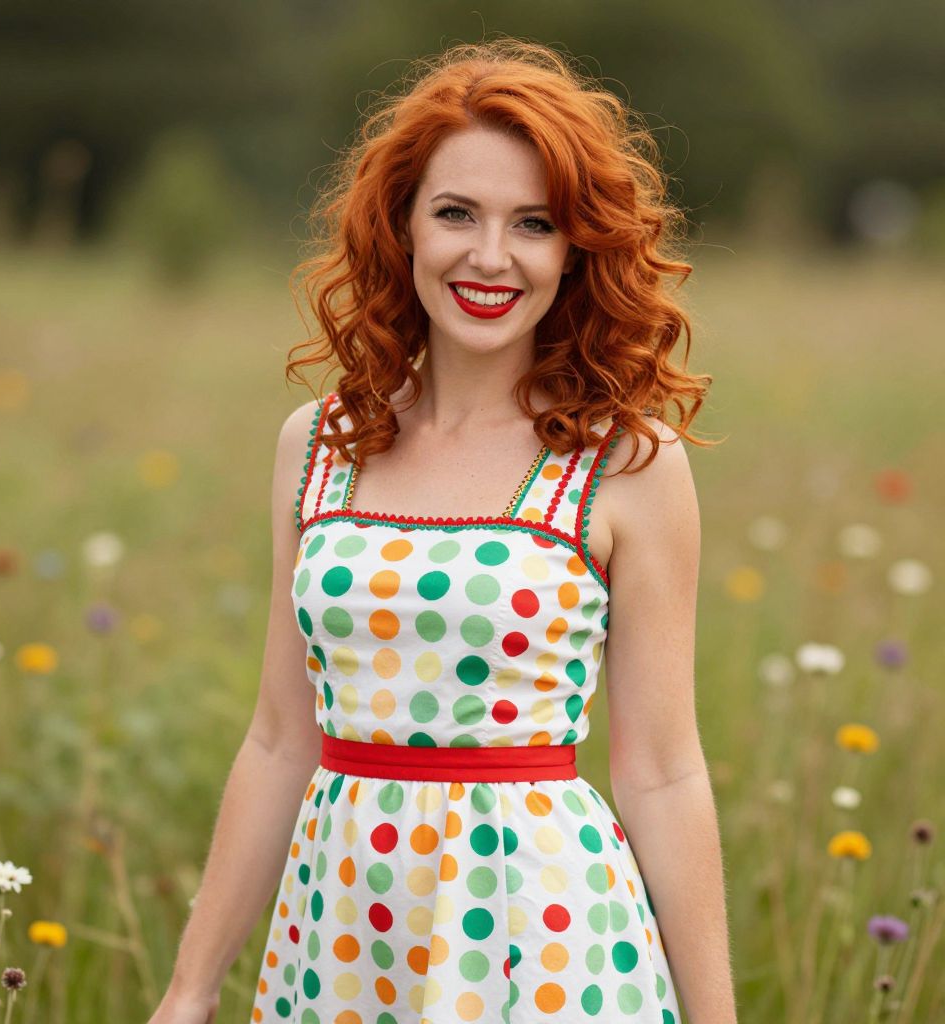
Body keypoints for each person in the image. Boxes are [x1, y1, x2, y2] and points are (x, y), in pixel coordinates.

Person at [148, 37, 737, 1024]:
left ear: (574, 248)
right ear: (403, 227)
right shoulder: (320, 444)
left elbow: (662, 770)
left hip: (544, 938)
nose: (489, 256)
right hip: (338, 932)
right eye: (456, 213)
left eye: (533, 224)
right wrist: (190, 984)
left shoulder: (626, 466)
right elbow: (278, 738)